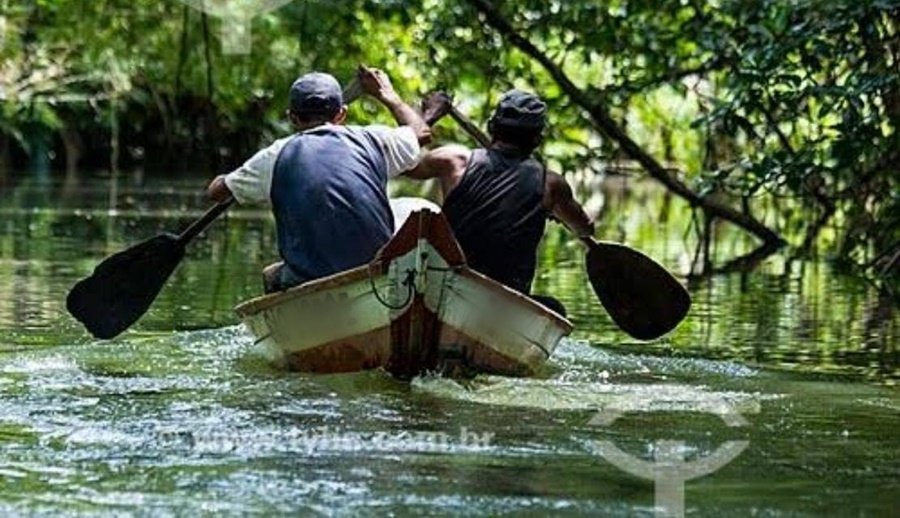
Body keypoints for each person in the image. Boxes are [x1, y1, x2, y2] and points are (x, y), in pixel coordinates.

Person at [207, 65, 430, 293]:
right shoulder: (374, 139)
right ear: (341, 114)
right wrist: (388, 95)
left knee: (271, 275)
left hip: (309, 280)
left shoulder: (275, 155)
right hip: (376, 273)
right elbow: (421, 132)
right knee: (420, 206)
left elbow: (216, 193)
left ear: (292, 118)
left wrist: (229, 178)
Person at [406, 89, 595, 316]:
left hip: (447, 291)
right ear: (538, 139)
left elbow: (404, 161)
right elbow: (585, 228)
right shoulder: (551, 185)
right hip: (506, 304)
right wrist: (556, 210)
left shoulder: (455, 161)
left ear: (491, 127)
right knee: (555, 310)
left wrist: (429, 116)